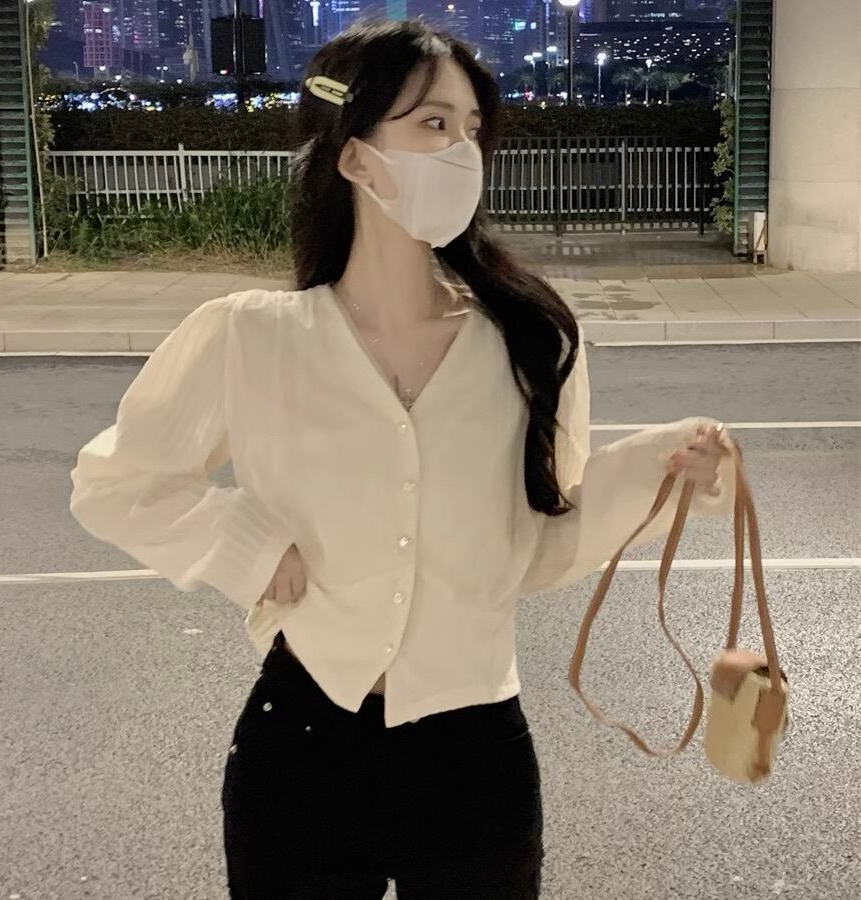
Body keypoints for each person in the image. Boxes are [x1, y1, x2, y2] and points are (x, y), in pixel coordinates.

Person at [68, 18, 736, 899]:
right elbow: (114, 483)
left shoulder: (530, 343)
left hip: (475, 759)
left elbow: (537, 549)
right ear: (355, 157)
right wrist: (244, 542)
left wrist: (656, 471)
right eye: (432, 124)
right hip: (300, 748)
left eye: (471, 129)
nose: (462, 150)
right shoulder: (252, 337)